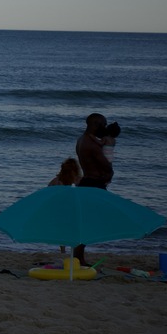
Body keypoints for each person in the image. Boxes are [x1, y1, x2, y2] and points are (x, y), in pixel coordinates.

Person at [72, 112, 116, 265]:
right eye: (103, 125)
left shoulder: (81, 140)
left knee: (86, 222)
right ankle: (79, 258)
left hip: (86, 182)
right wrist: (110, 148)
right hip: (93, 185)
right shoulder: (91, 145)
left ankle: (78, 257)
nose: (104, 128)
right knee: (91, 222)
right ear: (95, 124)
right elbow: (106, 165)